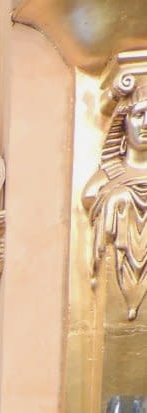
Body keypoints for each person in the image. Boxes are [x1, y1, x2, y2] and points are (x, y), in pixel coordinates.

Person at [82, 80, 147, 321]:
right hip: (111, 280)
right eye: (139, 115)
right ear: (124, 123)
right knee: (118, 198)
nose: (146, 124)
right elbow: (90, 196)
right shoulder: (105, 179)